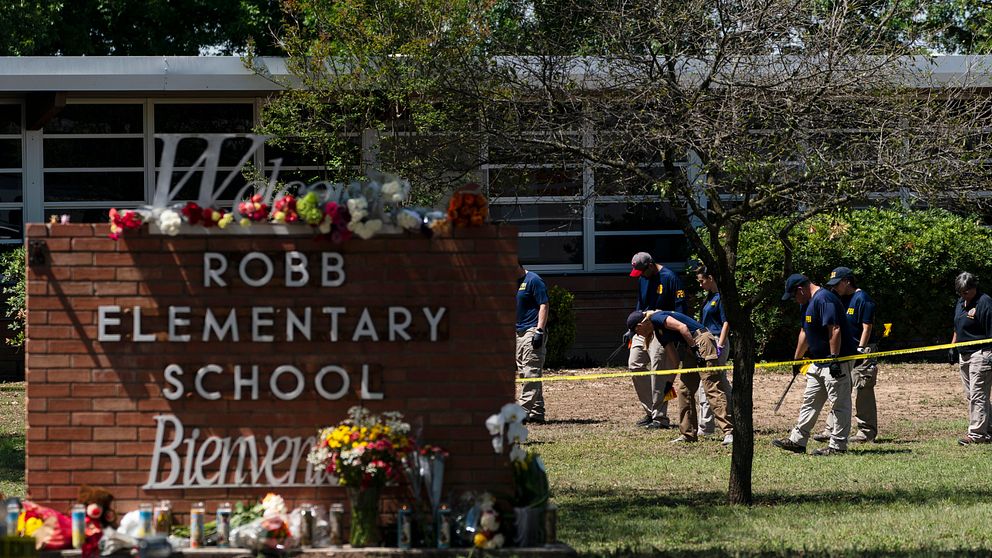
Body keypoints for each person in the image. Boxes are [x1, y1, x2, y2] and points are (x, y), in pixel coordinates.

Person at [773, 273, 857, 456]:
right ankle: (798, 440)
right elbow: (805, 332)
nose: (795, 300)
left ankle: (838, 446)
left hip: (836, 362)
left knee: (839, 404)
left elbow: (834, 329)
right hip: (818, 363)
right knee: (809, 401)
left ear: (801, 289)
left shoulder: (824, 299)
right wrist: (797, 359)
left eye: (794, 295)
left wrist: (834, 358)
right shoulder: (806, 303)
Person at [627, 309, 734, 445]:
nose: (638, 335)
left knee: (711, 387)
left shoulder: (657, 318)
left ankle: (729, 432)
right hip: (692, 346)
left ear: (640, 325)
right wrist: (669, 384)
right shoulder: (659, 333)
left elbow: (682, 328)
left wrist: (695, 350)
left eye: (636, 331)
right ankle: (688, 434)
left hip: (701, 341)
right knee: (684, 390)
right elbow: (675, 361)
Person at [814, 267, 878, 443]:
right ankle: (831, 428)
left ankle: (866, 431)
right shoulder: (839, 299)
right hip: (846, 350)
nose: (834, 288)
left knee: (863, 388)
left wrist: (861, 350)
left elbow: (867, 327)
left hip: (862, 350)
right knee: (839, 388)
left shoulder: (863, 299)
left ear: (847, 282)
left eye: (837, 284)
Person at [627, 252, 687, 429]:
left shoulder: (670, 278)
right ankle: (650, 411)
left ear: (651, 265)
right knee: (635, 365)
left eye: (642, 271)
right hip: (642, 327)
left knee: (658, 371)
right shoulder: (642, 278)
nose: (641, 275)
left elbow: (680, 309)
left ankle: (660, 418)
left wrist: (673, 333)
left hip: (661, 329)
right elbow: (640, 304)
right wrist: (631, 329)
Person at [949, 272, 992, 445]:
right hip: (964, 354)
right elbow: (957, 326)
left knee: (978, 395)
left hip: (981, 354)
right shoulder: (961, 302)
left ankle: (977, 434)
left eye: (965, 292)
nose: (962, 295)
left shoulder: (985, 303)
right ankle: (988, 427)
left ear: (974, 288)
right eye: (960, 292)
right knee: (971, 395)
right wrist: (953, 346)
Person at [695, 266, 733, 438]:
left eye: (702, 281)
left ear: (711, 278)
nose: (701, 285)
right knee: (721, 383)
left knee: (708, 382)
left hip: (716, 341)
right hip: (706, 340)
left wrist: (721, 344)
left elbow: (726, 322)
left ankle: (706, 426)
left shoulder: (721, 298)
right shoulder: (709, 297)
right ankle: (733, 414)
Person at [516, 261, 549, 424]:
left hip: (532, 330)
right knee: (525, 373)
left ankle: (521, 413)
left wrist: (539, 330)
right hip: (518, 333)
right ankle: (537, 412)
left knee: (531, 371)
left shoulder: (533, 280)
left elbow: (544, 304)